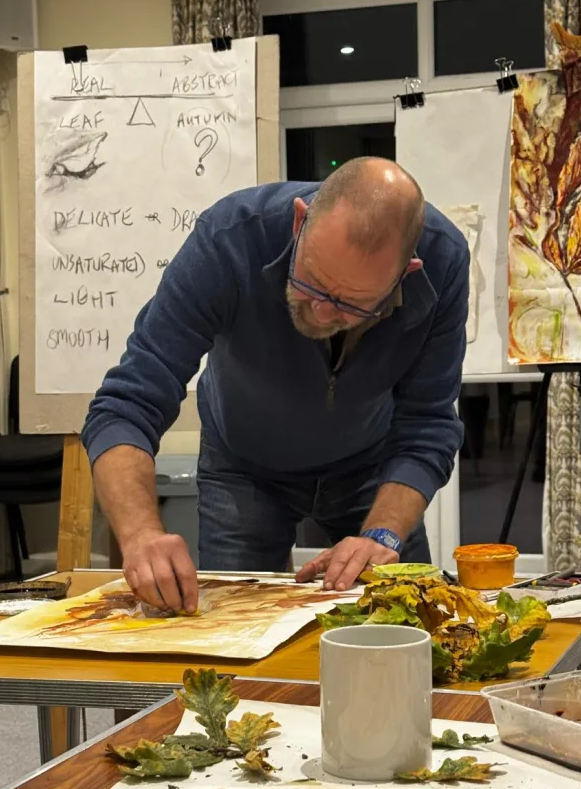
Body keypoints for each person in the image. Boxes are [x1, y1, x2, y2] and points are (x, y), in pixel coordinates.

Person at [81, 157, 468, 613]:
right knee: (231, 630)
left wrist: (383, 534)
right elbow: (126, 405)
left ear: (407, 273)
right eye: (313, 283)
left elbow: (427, 424)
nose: (322, 313)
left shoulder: (444, 262)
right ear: (300, 222)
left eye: (353, 305)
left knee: (410, 625)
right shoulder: (229, 240)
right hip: (244, 466)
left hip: (371, 466)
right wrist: (140, 533)